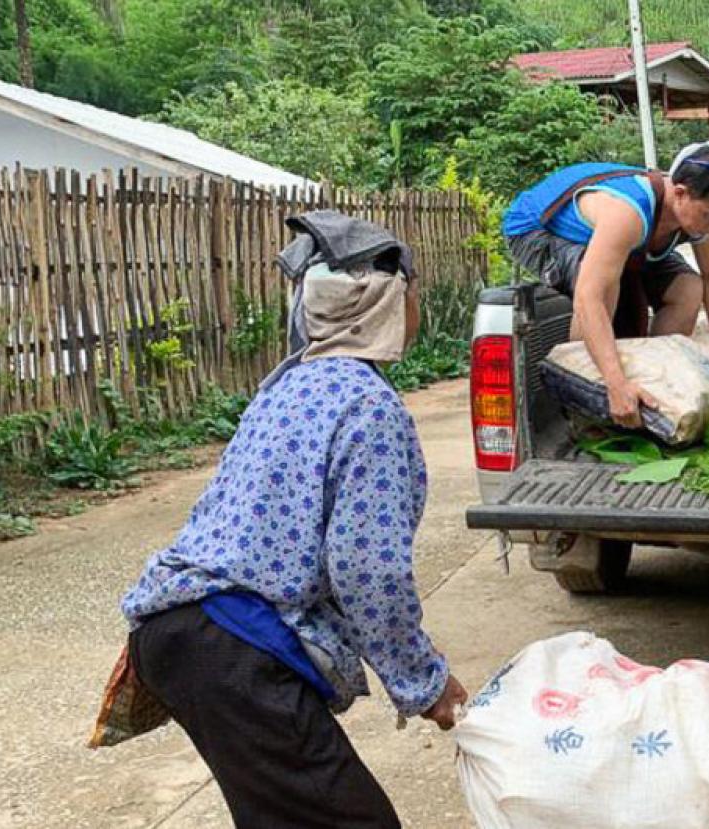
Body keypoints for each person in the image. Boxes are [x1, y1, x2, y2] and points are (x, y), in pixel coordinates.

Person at [115, 212, 465, 828]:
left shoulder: (288, 387)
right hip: (235, 650)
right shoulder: (368, 405)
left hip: (174, 632)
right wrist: (424, 682)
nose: (418, 309)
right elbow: (367, 570)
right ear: (386, 303)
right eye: (415, 295)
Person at [501, 148, 709, 428]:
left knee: (688, 288)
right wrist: (615, 382)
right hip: (536, 229)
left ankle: (656, 383)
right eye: (708, 216)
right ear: (679, 193)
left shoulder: (700, 214)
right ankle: (585, 405)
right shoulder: (627, 212)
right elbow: (588, 298)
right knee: (604, 288)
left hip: (627, 242)